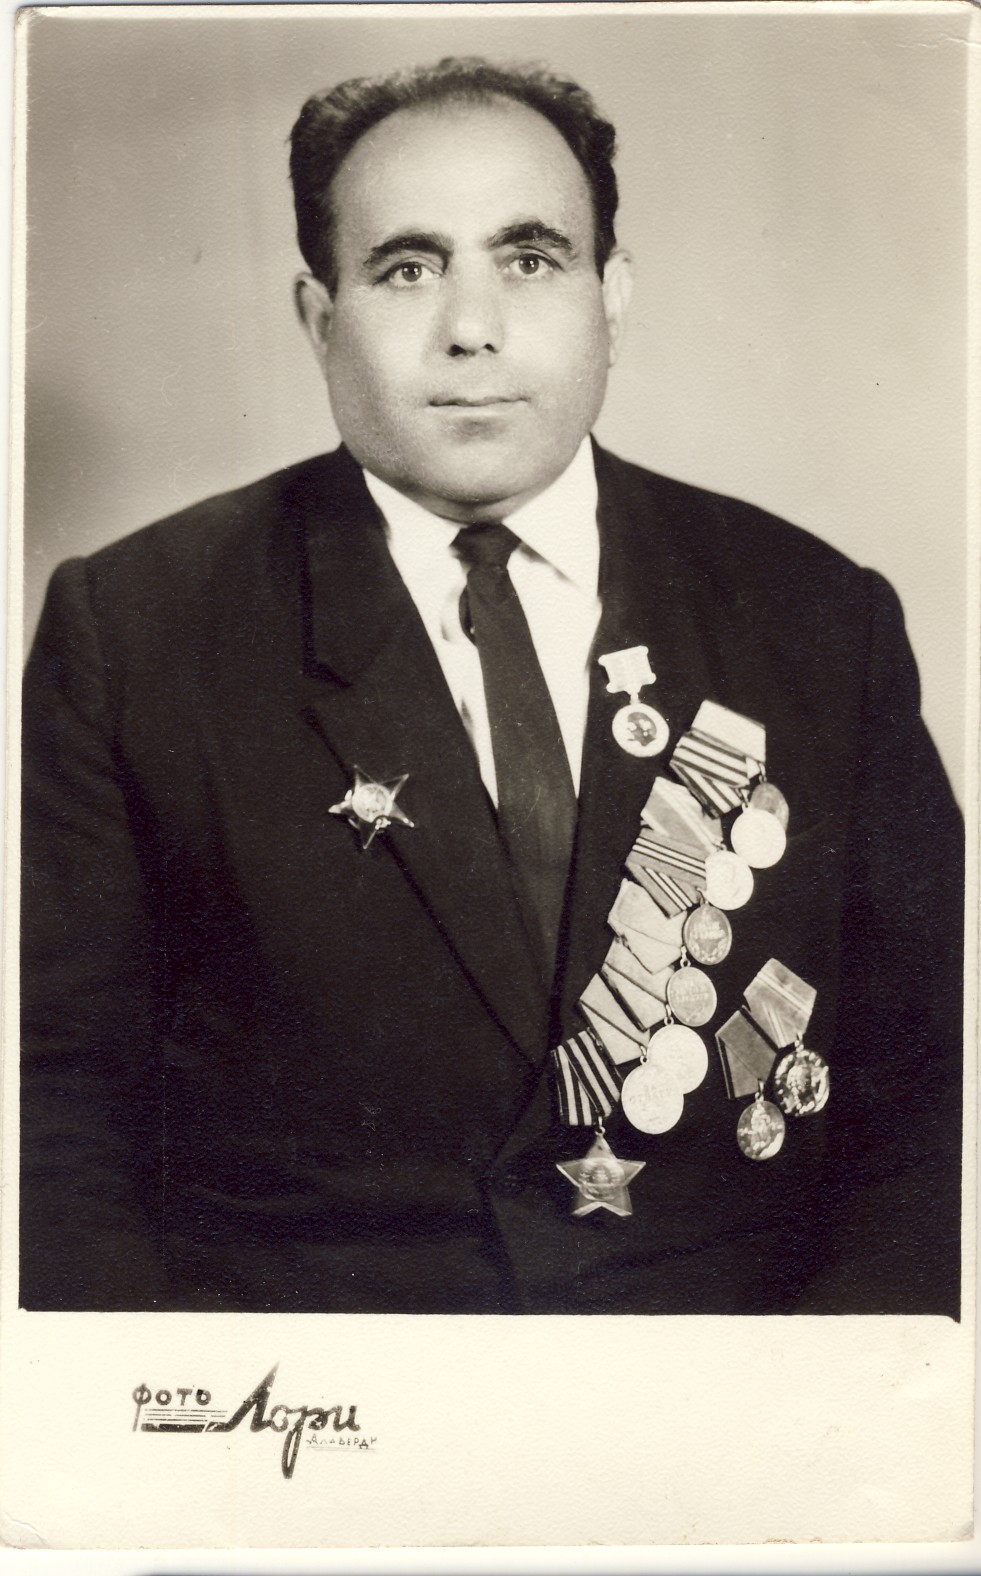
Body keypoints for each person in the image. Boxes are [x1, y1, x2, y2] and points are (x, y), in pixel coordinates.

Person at [20, 56, 963, 1316]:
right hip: (322, 1397)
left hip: (741, 1385)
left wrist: (838, 1403)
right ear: (320, 317)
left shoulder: (817, 617)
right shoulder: (138, 632)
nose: (473, 327)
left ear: (611, 296)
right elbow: (53, 1119)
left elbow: (939, 1091)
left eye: (530, 259)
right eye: (408, 268)